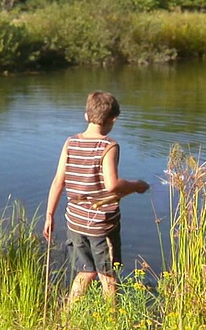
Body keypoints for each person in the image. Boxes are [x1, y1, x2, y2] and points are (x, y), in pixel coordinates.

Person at [43, 91, 150, 305]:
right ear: (114, 119)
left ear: (86, 116)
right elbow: (112, 185)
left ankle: (67, 317)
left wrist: (49, 215)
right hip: (101, 226)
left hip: (74, 221)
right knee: (108, 275)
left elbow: (58, 181)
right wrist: (137, 185)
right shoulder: (108, 146)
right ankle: (111, 320)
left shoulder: (71, 142)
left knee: (86, 271)